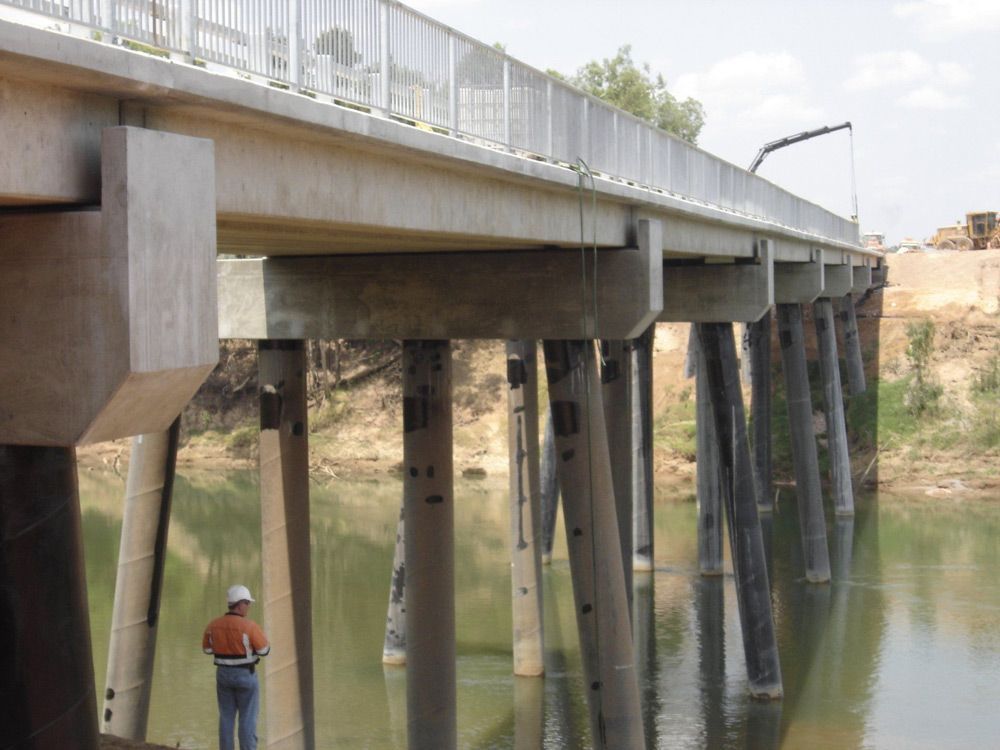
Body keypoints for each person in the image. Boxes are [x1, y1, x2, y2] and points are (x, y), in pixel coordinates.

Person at [202, 584, 270, 750]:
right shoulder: (249, 626)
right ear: (240, 604)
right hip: (246, 675)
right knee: (248, 718)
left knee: (226, 717)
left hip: (223, 676)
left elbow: (207, 649)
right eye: (247, 603)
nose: (248, 607)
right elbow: (264, 650)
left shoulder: (213, 625)